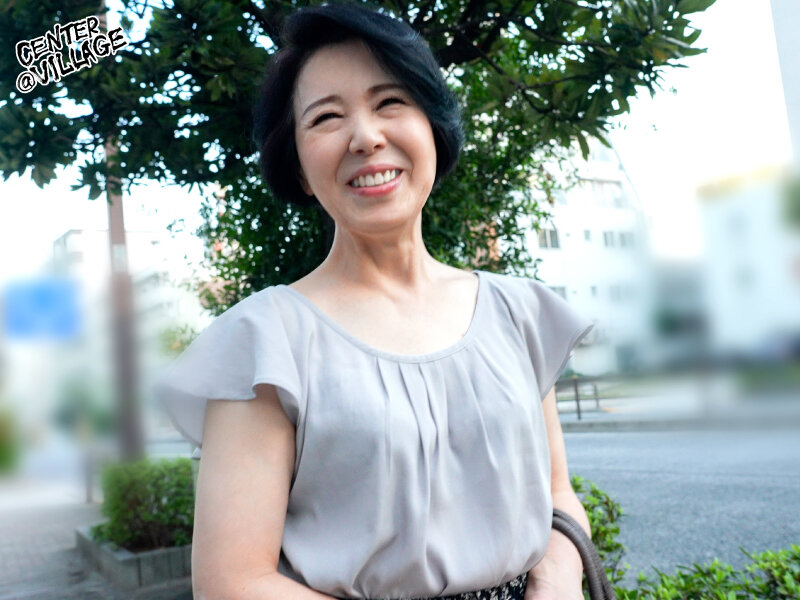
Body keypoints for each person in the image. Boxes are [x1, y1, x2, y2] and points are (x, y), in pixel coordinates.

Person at [155, 3, 595, 599]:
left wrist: (558, 582)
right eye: (326, 117)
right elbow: (233, 582)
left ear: (432, 127)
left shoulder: (519, 314)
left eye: (390, 102)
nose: (366, 137)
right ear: (300, 167)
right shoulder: (265, 343)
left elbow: (557, 494)